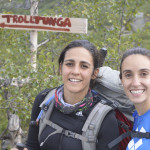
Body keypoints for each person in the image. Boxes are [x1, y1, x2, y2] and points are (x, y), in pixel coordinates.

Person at [11, 40, 119, 150]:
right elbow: (33, 146)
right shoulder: (44, 100)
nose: (75, 71)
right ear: (60, 67)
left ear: (94, 73)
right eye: (69, 64)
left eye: (84, 66)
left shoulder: (105, 119)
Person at [120, 47, 150, 150]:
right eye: (128, 75)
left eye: (144, 74)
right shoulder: (138, 116)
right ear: (121, 80)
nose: (136, 83)